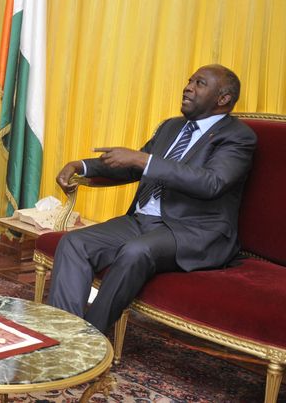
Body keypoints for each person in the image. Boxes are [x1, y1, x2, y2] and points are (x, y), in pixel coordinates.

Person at [47, 64, 256, 333]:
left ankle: (88, 341)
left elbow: (212, 183)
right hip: (142, 221)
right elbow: (135, 166)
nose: (188, 87)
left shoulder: (238, 137)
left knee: (136, 251)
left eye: (200, 83)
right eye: (189, 80)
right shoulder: (172, 127)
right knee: (74, 243)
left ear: (223, 99)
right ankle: (61, 334)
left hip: (193, 230)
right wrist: (82, 166)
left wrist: (144, 159)